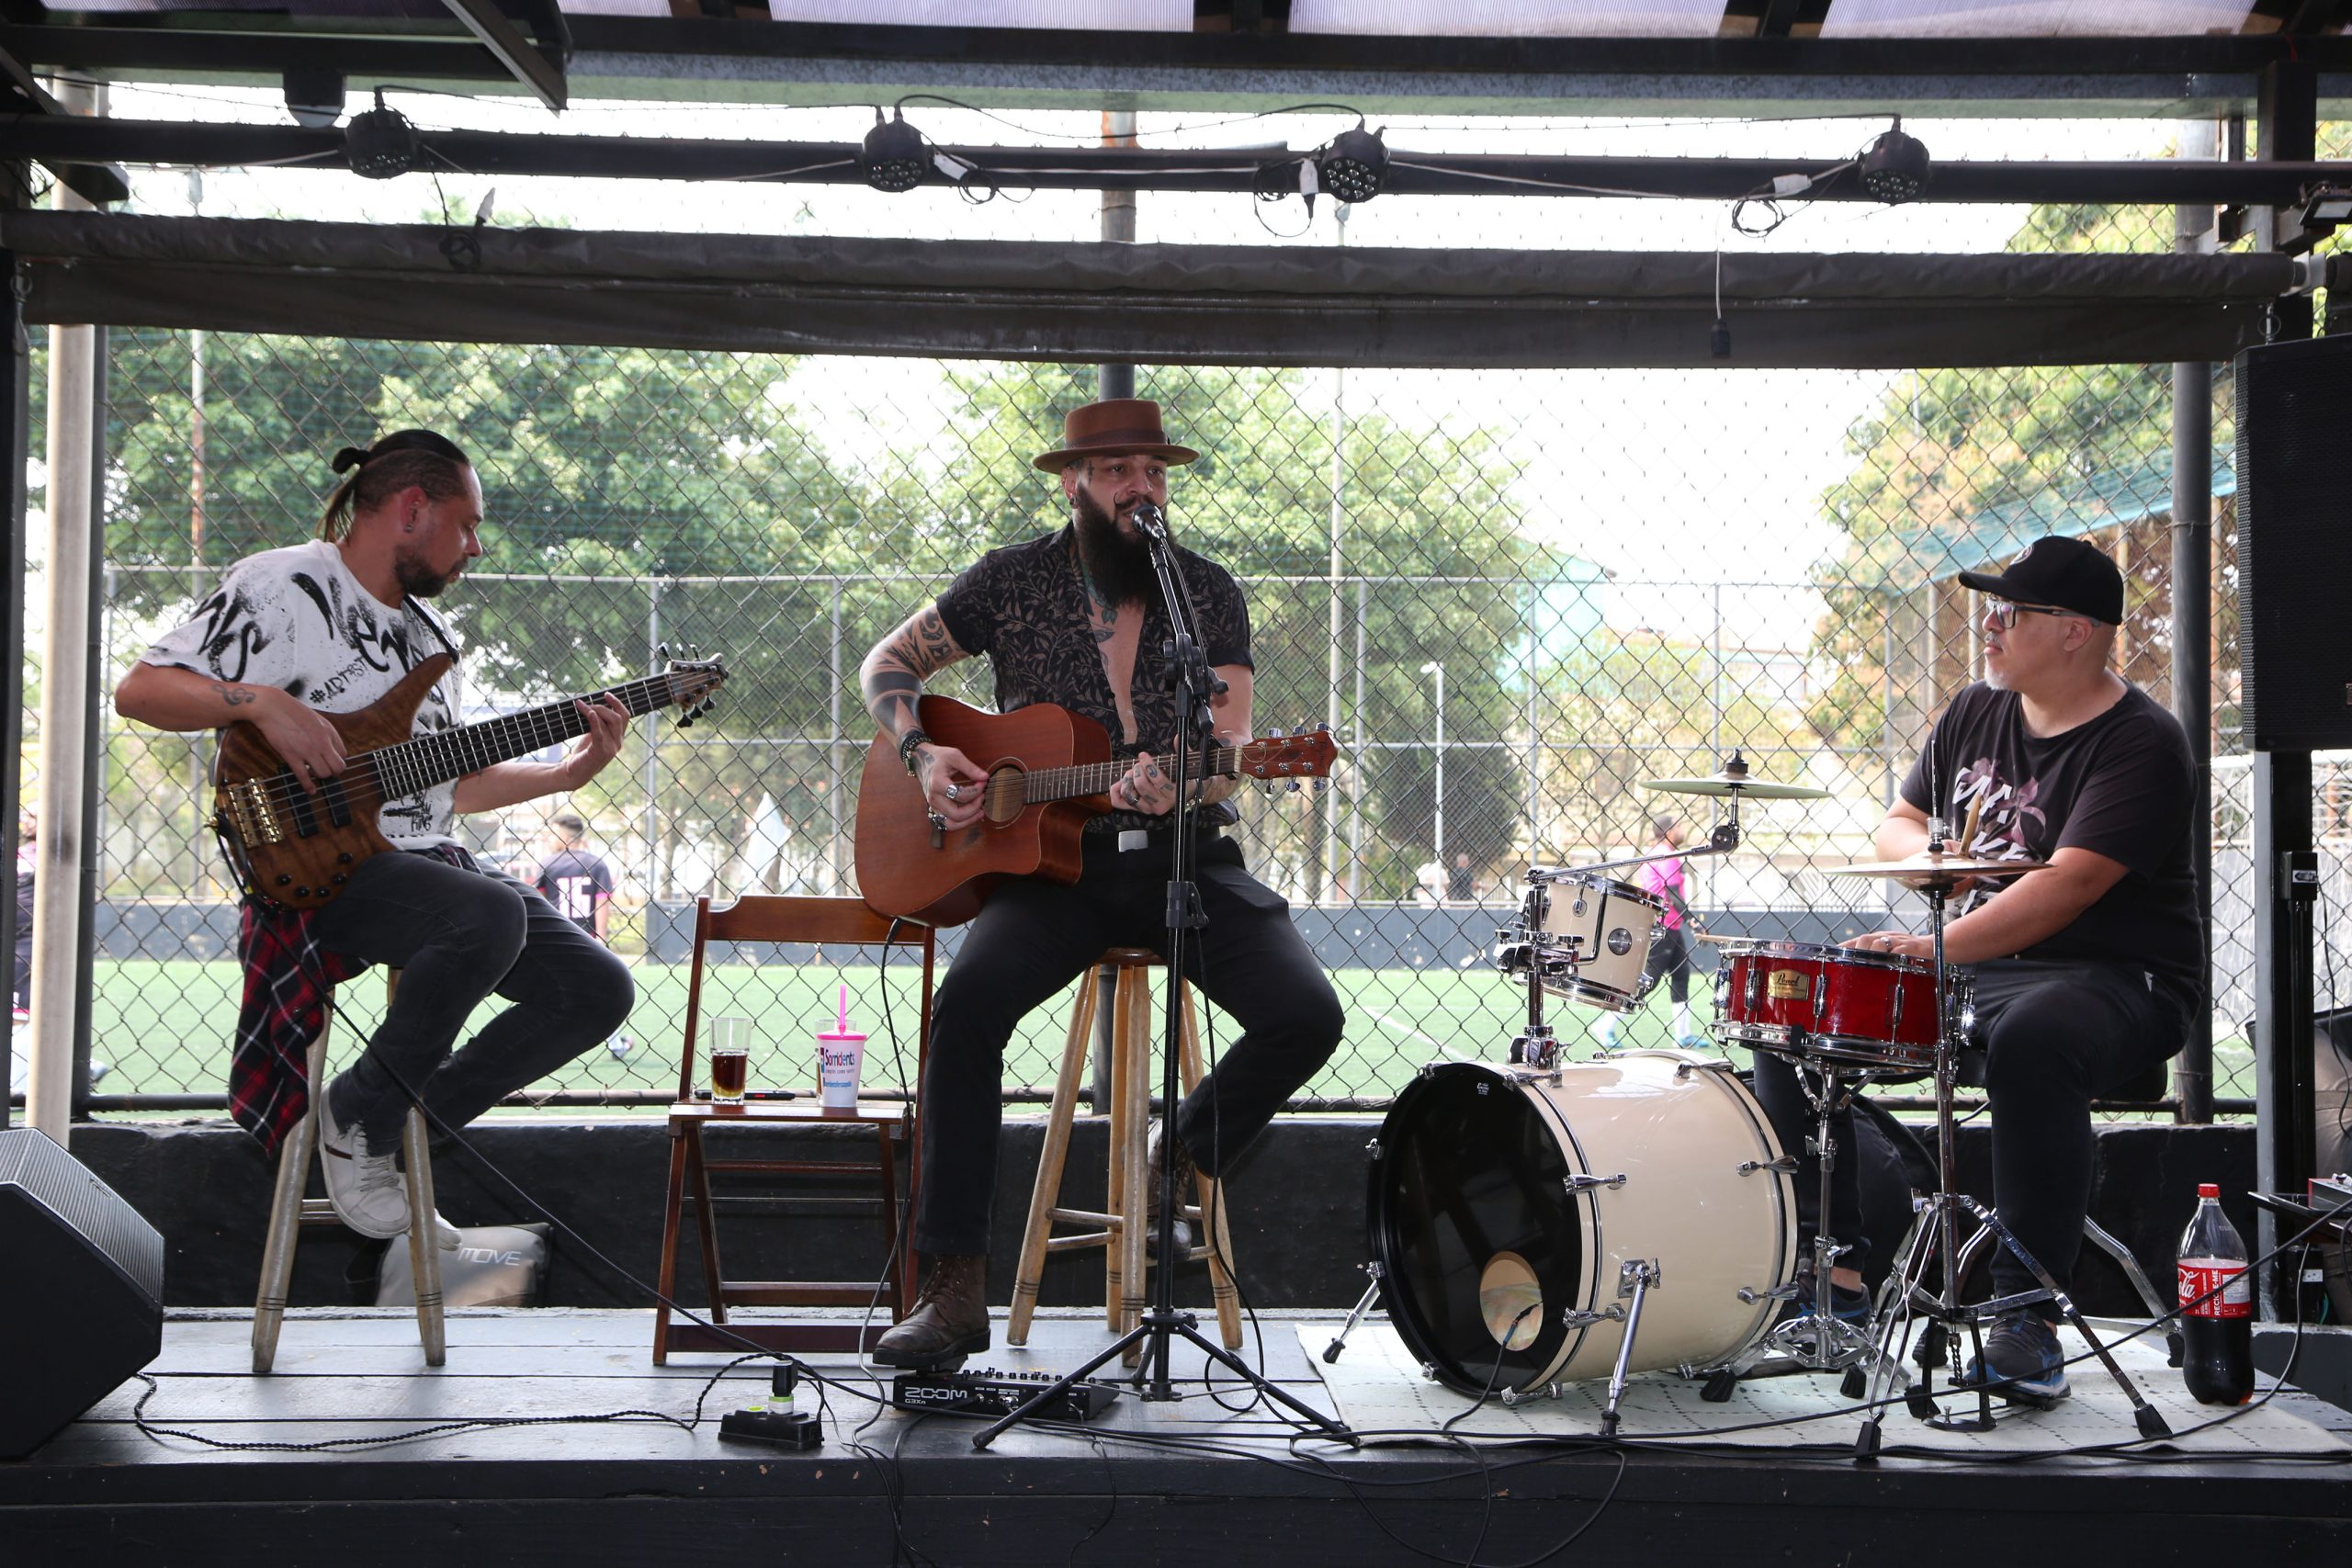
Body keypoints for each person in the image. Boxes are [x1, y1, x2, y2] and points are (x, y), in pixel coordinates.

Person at [856, 398, 1346, 1369]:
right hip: (1051, 874)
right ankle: (950, 1292)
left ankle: (1183, 1156)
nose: (1140, 488)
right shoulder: (1007, 581)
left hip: (1185, 857)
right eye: (1118, 470)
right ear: (1073, 482)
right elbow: (890, 659)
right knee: (964, 1010)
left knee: (1308, 1014)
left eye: (1154, 472)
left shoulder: (1204, 593)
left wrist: (1184, 780)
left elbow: (1233, 744)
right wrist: (921, 752)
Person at [114, 429, 636, 1247]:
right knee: (485, 914)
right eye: (465, 525)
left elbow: (447, 787)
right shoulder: (285, 584)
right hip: (315, 865)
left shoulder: (431, 643)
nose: (475, 546)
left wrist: (564, 776)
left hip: (426, 869)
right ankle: (363, 1117)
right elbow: (141, 690)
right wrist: (258, 703)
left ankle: (390, 1119)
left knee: (598, 988)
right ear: (411, 510)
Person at [1748, 536, 2199, 1403]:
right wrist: (1936, 864)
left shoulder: (2141, 741)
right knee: (1801, 1009)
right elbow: (1898, 824)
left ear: (2075, 632)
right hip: (1975, 969)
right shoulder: (1973, 712)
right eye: (1993, 609)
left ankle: (2025, 1312)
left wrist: (1937, 945)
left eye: (2011, 612)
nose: (1989, 626)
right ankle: (1837, 1275)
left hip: (2119, 980)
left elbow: (2066, 890)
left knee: (2035, 1038)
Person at [1636, 816, 1700, 1046]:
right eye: (1679, 826)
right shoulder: (1667, 857)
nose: (1682, 830)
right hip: (1663, 926)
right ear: (1668, 831)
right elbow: (1673, 895)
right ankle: (1608, 1023)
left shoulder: (1654, 852)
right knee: (1650, 979)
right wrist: (1693, 921)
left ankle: (1683, 1035)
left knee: (1681, 975)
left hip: (1669, 925)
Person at [528, 810, 616, 942]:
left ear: (564, 836)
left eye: (553, 835)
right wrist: (601, 936)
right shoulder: (597, 863)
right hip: (588, 936)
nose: (550, 840)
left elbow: (539, 900)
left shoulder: (548, 864)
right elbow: (602, 902)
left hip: (556, 933)